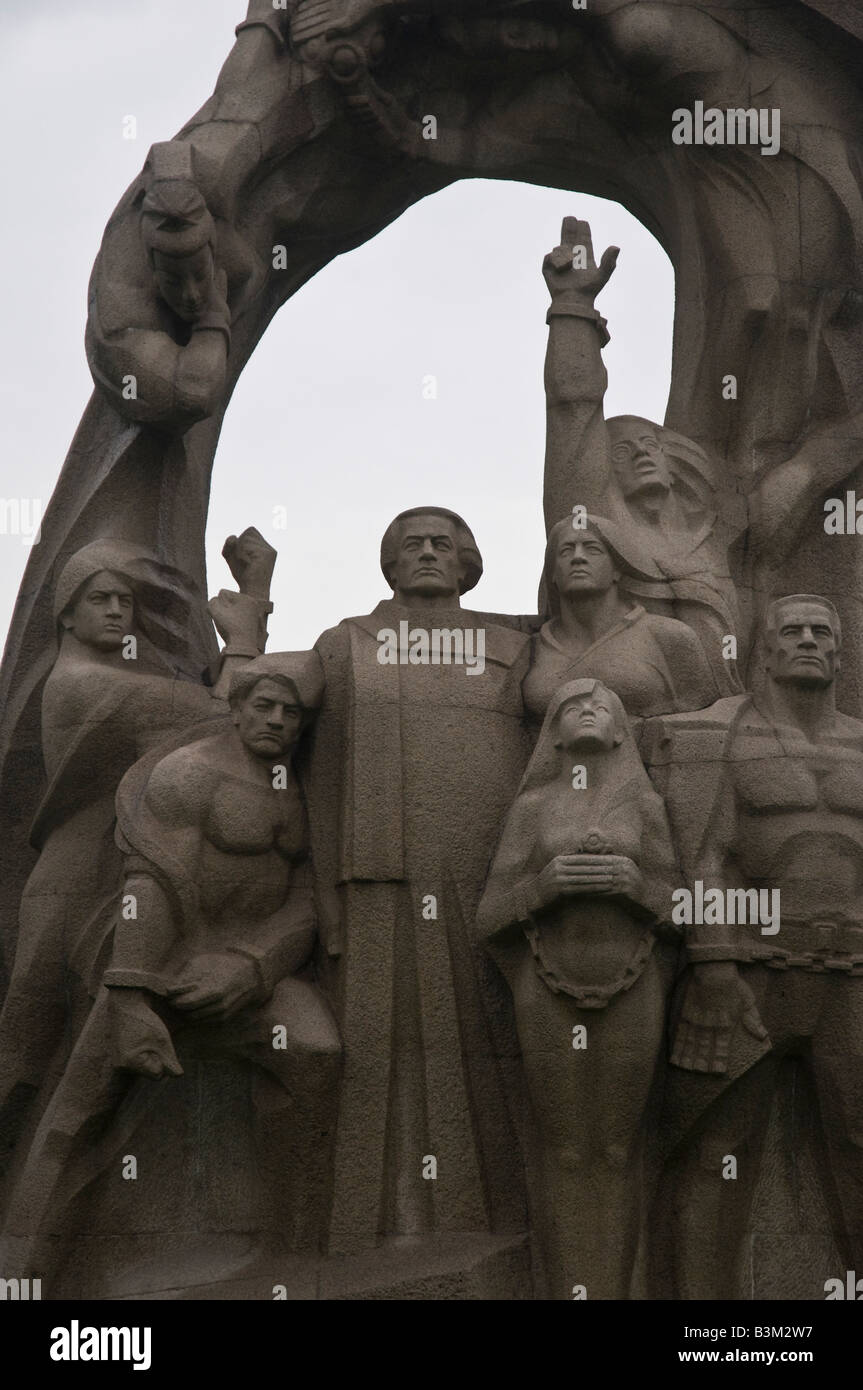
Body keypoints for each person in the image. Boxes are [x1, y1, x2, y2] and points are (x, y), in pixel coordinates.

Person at [1, 653, 339, 1276]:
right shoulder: (190, 774)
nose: (276, 720)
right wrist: (132, 996)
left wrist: (253, 967)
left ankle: (292, 1253)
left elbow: (307, 901)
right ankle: (19, 1279)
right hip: (156, 968)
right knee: (77, 1118)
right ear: (235, 709)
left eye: (291, 713)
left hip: (247, 977)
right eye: (263, 705)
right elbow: (150, 884)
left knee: (316, 1053)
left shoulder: (302, 790)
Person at [0, 532, 274, 1175]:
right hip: (77, 877)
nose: (117, 610)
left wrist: (253, 596)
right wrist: (244, 627)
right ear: (66, 614)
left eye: (125, 600)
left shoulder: (129, 678)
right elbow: (224, 721)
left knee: (71, 1049)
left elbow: (223, 708)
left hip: (128, 870)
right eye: (100, 599)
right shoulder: (83, 685)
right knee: (26, 1050)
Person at [305, 506, 533, 1276]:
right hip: (381, 873)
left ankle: (508, 1225)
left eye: (443, 543)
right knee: (381, 1049)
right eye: (412, 544)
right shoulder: (346, 643)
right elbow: (278, 725)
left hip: (492, 870)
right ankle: (374, 1238)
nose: (429, 553)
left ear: (469, 562)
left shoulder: (513, 650)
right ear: (389, 564)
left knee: (496, 1038)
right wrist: (246, 620)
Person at [645, 595, 863, 1297]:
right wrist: (712, 962)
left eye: (821, 632)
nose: (808, 641)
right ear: (762, 651)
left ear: (840, 652)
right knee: (718, 1148)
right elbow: (702, 855)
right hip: (750, 969)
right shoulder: (723, 735)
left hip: (854, 971)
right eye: (790, 631)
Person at [476, 679, 678, 1298]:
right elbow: (488, 918)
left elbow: (685, 912)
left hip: (632, 985)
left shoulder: (646, 808)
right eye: (572, 706)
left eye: (600, 705)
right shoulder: (533, 809)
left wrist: (637, 888)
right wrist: (542, 888)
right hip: (547, 988)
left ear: (619, 732)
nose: (587, 711)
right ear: (554, 734)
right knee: (564, 1150)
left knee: (617, 1150)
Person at [524, 513, 720, 728]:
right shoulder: (533, 647)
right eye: (566, 551)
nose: (578, 557)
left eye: (592, 549)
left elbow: (708, 721)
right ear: (553, 573)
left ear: (617, 569)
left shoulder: (669, 635)